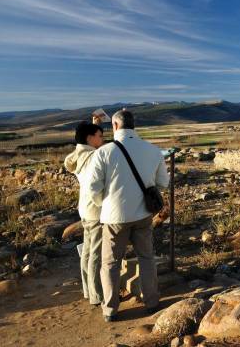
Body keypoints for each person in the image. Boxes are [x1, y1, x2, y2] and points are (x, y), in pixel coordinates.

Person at [86, 109, 169, 322]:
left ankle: (110, 309)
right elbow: (163, 183)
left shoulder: (103, 153)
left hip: (114, 217)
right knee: (147, 258)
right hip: (143, 215)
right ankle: (152, 301)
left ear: (114, 126)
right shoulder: (153, 150)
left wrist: (104, 205)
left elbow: (93, 189)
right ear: (134, 125)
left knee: (111, 263)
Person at [63, 121, 105, 307]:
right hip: (96, 209)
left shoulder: (77, 156)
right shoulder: (94, 156)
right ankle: (97, 296)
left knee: (88, 251)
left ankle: (88, 291)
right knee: (95, 253)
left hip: (85, 209)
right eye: (100, 135)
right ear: (90, 138)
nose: (102, 139)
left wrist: (94, 125)